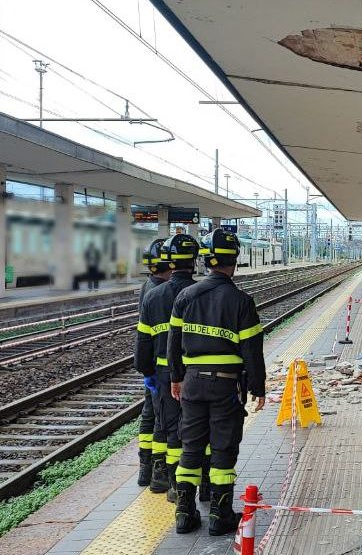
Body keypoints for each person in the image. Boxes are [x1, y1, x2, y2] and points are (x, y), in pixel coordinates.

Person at [168, 228, 266, 536]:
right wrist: (258, 387)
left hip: (192, 384)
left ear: (206, 261)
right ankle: (220, 515)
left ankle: (184, 513)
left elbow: (173, 342)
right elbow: (252, 349)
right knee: (223, 448)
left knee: (191, 446)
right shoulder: (241, 301)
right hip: (225, 385)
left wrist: (176, 378)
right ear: (234, 260)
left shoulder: (185, 296)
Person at [135, 234, 201, 503]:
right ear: (195, 261)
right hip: (193, 374)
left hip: (162, 375)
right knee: (196, 428)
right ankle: (199, 486)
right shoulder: (199, 294)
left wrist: (146, 371)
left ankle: (161, 477)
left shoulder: (152, 295)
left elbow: (143, 340)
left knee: (165, 426)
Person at [134, 238, 169, 488]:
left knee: (149, 415)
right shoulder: (159, 292)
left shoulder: (148, 286)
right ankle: (158, 471)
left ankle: (145, 468)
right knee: (160, 417)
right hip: (162, 365)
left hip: (152, 365)